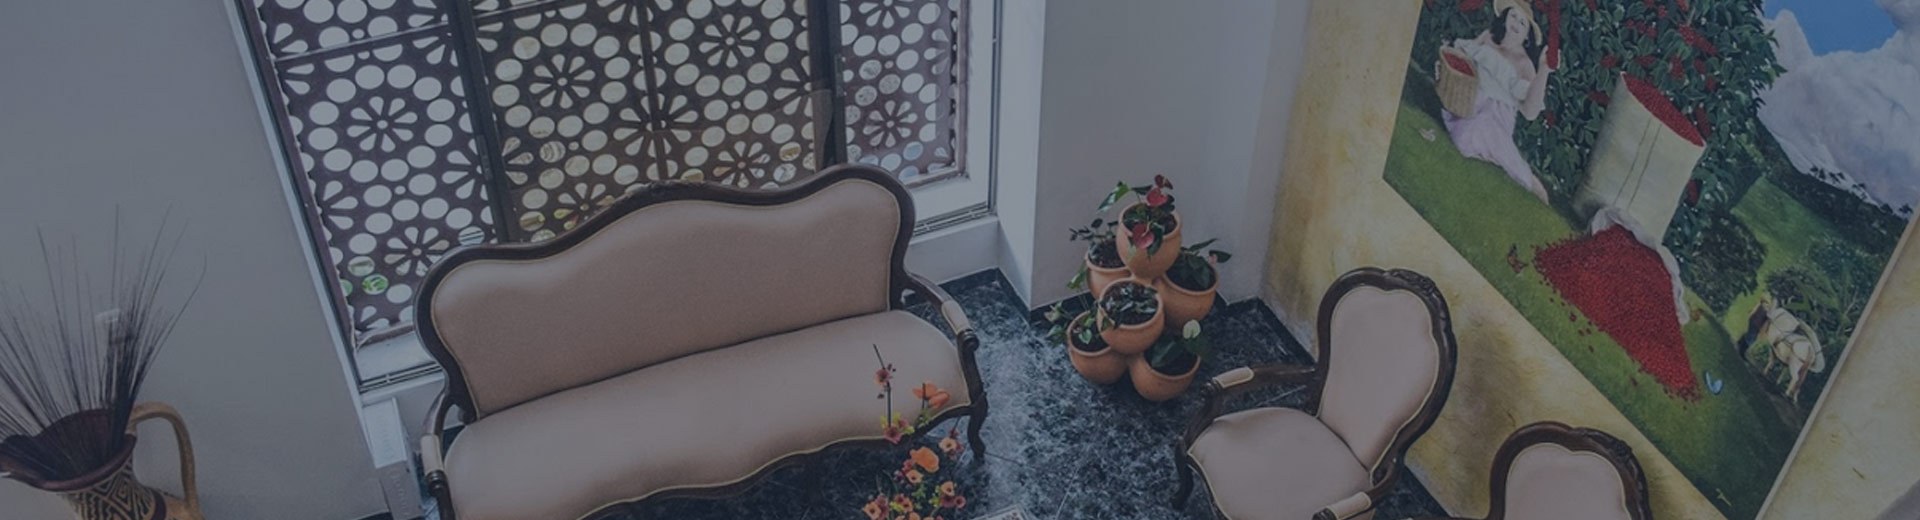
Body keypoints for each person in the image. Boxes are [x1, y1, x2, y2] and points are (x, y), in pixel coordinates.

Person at [1442, 0, 1557, 203]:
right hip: (1470, 98)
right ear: (1505, 18)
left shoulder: (1525, 64)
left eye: (1522, 23)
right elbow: (1465, 59)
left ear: (1527, 35)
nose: (1516, 23)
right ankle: (1487, 150)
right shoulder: (1488, 37)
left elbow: (1530, 112)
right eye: (1513, 16)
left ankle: (1530, 179)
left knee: (1471, 134)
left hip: (1496, 115)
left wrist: (1544, 70)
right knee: (1464, 126)